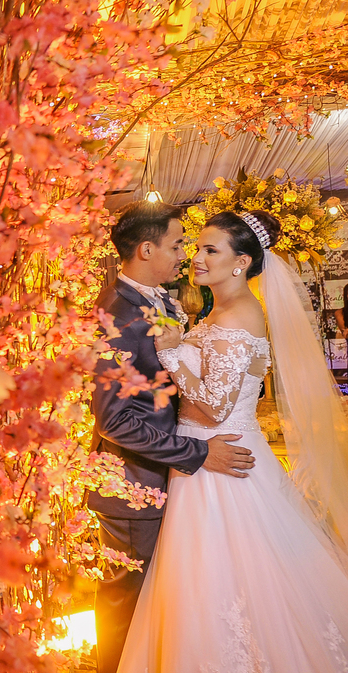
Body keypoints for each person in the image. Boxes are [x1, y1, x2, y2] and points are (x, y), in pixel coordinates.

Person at [118, 210, 348, 672]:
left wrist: (171, 353)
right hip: (205, 456)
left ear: (241, 262)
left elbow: (215, 407)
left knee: (226, 579)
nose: (196, 258)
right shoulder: (220, 310)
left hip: (219, 459)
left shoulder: (240, 313)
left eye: (210, 250)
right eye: (195, 248)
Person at [89, 201, 254, 673]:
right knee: (127, 605)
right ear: (147, 249)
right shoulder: (119, 314)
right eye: (179, 244)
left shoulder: (156, 299)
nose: (186, 255)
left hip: (165, 479)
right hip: (133, 485)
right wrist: (198, 452)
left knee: (163, 605)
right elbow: (113, 420)